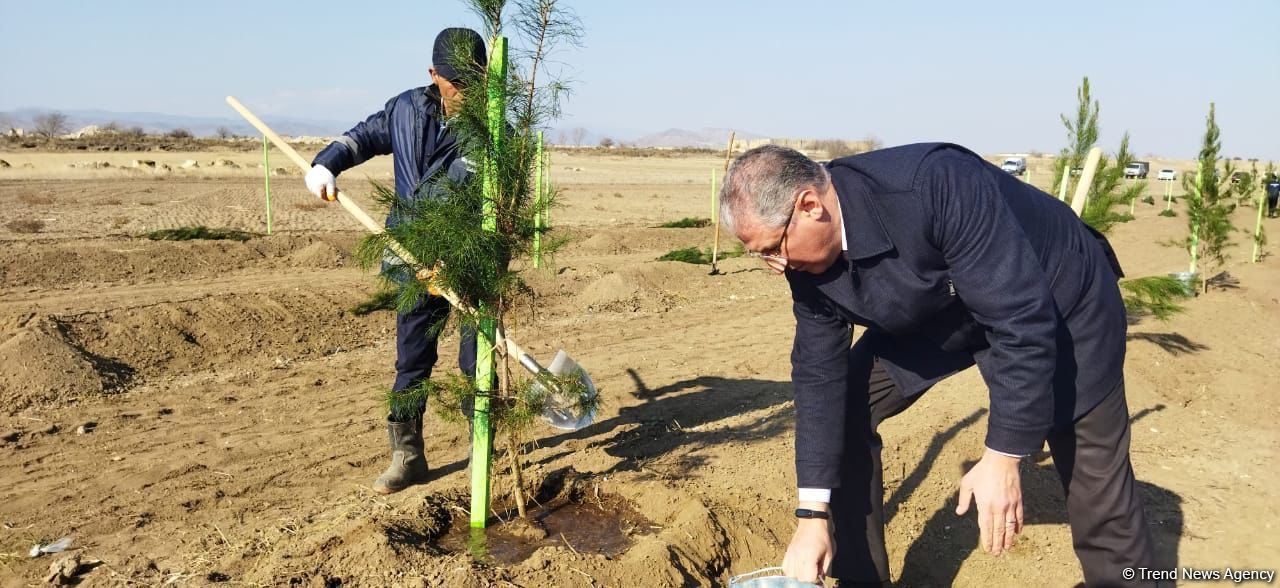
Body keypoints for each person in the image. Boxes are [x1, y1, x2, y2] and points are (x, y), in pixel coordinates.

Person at [719, 143, 1156, 586]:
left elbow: (1019, 322)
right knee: (849, 400)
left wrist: (1004, 457)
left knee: (1091, 469)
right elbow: (818, 376)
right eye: (761, 256)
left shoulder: (936, 184)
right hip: (942, 311)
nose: (777, 267)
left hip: (1057, 299)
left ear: (810, 206)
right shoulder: (804, 267)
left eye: (773, 248)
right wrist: (812, 515)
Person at [302, 28, 488, 495]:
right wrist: (326, 165)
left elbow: (500, 212)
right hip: (412, 258)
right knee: (412, 361)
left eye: (472, 81)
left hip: (468, 268)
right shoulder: (405, 110)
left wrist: (463, 261)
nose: (463, 92)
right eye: (454, 82)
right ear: (434, 75)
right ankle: (407, 456)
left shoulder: (495, 129)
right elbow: (360, 138)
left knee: (475, 363)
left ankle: (481, 453)